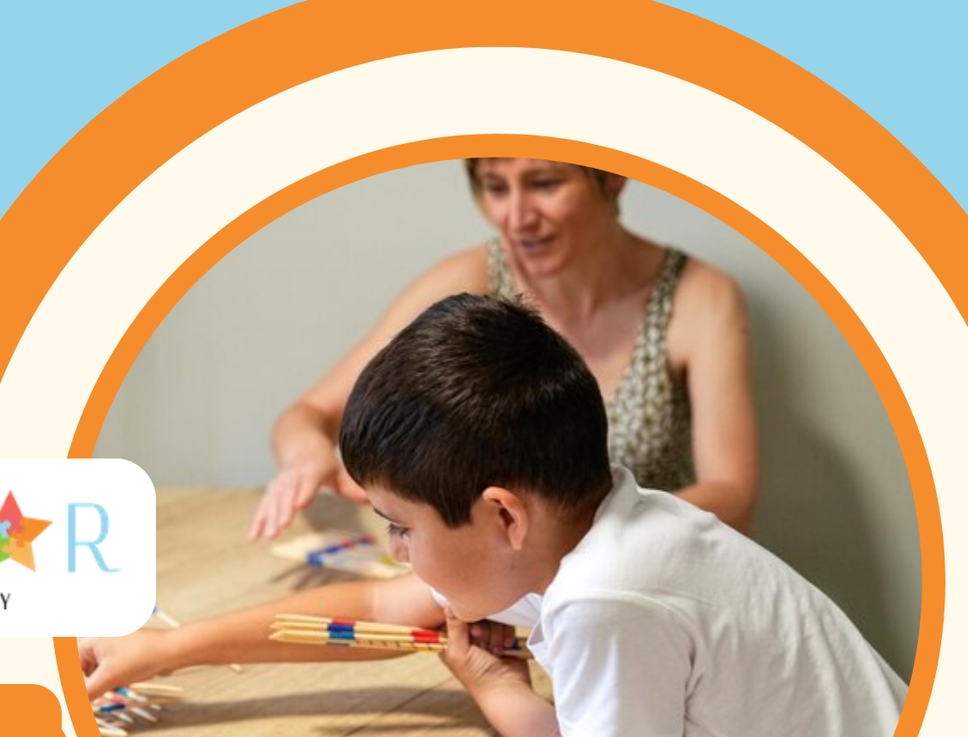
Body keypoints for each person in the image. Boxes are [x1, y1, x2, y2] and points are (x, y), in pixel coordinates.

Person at [84, 296, 901, 737]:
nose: (399, 551)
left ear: (503, 513)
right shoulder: (612, 521)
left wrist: (491, 686)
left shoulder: (603, 598)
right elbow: (374, 606)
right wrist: (163, 647)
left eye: (400, 526)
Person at [249, 158, 758, 541]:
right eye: (495, 188)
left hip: (644, 574)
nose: (516, 216)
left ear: (613, 176)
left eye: (545, 184)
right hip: (494, 586)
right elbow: (308, 414)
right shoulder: (467, 280)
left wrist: (575, 539)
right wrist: (306, 455)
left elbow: (732, 493)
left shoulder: (697, 296)